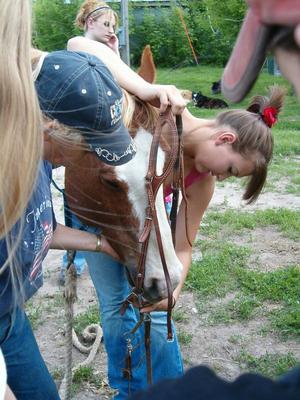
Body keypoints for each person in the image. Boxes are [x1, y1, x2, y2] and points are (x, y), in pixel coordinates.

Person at [66, 33, 286, 398]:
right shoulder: (156, 109)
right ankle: (127, 390)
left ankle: (172, 391)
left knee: (155, 312)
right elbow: (78, 45)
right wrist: (142, 87)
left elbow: (183, 246)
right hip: (99, 216)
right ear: (225, 140)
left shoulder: (201, 182)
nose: (221, 177)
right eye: (231, 171)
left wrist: (174, 290)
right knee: (116, 308)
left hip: (149, 232)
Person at [59, 0, 121, 284]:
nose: (111, 30)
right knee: (75, 203)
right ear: (88, 24)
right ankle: (72, 258)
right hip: (79, 142)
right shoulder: (77, 48)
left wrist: (116, 54)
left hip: (103, 139)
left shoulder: (108, 54)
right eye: (106, 24)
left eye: (114, 26)